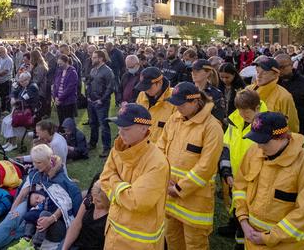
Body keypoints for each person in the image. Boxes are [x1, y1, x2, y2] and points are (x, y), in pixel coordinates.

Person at [0, 144, 82, 250]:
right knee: (13, 219)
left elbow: (64, 204)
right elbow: (22, 194)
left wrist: (51, 218)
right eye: (34, 162)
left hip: (49, 213)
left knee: (19, 227)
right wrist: (12, 212)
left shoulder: (59, 178)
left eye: (38, 163)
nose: (35, 166)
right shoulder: (36, 172)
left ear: (48, 161)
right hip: (31, 206)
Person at [233, 112, 304, 249]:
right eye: (256, 140)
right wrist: (243, 220)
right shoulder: (254, 152)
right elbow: (240, 187)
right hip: (252, 241)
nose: (259, 146)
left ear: (281, 137)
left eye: (264, 141)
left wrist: (268, 237)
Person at [157, 82, 223, 249]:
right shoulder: (174, 119)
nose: (177, 107)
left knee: (195, 243)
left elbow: (206, 166)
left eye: (181, 104)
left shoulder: (212, 127)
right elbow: (160, 148)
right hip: (170, 195)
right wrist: (164, 179)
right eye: (175, 103)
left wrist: (179, 188)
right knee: (172, 239)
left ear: (195, 102)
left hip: (195, 201)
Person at [100, 103, 169, 249]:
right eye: (119, 128)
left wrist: (113, 180)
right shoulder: (118, 149)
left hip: (139, 243)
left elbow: (137, 202)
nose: (120, 133)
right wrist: (123, 189)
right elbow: (103, 178)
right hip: (113, 236)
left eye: (126, 129)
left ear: (144, 128)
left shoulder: (157, 162)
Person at [217, 90, 267, 245]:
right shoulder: (234, 120)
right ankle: (234, 225)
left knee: (248, 210)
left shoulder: (266, 124)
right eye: (239, 110)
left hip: (254, 178)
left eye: (246, 111)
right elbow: (226, 147)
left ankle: (242, 236)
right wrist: (226, 171)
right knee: (236, 203)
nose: (242, 114)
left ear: (257, 108)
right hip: (235, 175)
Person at [247, 58, 300, 133]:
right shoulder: (248, 90)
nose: (259, 75)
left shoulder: (284, 97)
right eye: (257, 71)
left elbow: (291, 126)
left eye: (264, 73)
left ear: (276, 74)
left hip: (272, 141)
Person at [275, 53, 304, 138]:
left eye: (282, 67)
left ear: (292, 65)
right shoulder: (273, 83)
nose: (279, 71)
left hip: (298, 131)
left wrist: (303, 132)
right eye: (277, 68)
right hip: (273, 130)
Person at [134, 67, 176, 143]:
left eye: (148, 87)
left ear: (159, 83)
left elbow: (176, 131)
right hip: (141, 146)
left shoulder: (174, 99)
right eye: (144, 87)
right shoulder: (142, 95)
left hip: (160, 150)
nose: (146, 90)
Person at [61, 183, 109, 250]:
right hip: (78, 244)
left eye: (98, 201)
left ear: (107, 201)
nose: (94, 202)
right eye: (93, 197)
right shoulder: (89, 201)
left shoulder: (112, 215)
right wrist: (64, 248)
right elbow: (76, 224)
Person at [86, 50, 115, 158]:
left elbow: (110, 87)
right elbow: (89, 83)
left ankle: (106, 148)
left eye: (94, 57)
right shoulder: (93, 70)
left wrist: (102, 100)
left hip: (101, 103)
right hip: (91, 101)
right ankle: (92, 143)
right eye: (92, 57)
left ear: (101, 58)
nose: (92, 59)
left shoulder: (107, 71)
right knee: (93, 123)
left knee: (103, 125)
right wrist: (88, 96)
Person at [1, 72, 40, 152]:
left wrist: (15, 102)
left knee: (10, 122)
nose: (20, 83)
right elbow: (14, 91)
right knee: (5, 121)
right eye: (20, 81)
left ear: (28, 79)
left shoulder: (32, 87)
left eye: (22, 81)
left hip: (28, 112)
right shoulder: (23, 85)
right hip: (19, 109)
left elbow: (24, 100)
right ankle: (9, 142)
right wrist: (12, 98)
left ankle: (13, 144)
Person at [189, 59, 226, 124]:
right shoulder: (187, 90)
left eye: (197, 71)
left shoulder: (216, 94)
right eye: (192, 70)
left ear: (208, 73)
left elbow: (218, 119)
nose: (193, 73)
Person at [53, 54, 78, 128]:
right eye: (58, 64)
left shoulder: (72, 72)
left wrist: (60, 98)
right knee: (61, 120)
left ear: (66, 62)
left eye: (61, 63)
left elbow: (70, 88)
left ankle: (71, 137)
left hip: (68, 101)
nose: (59, 65)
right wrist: (55, 97)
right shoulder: (59, 71)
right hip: (59, 100)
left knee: (68, 121)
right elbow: (55, 84)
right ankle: (62, 135)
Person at [0, 46, 14, 112]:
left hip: (6, 81)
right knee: (1, 95)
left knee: (6, 97)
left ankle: (6, 110)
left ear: (3, 52)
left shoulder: (8, 60)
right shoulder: (1, 58)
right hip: (0, 81)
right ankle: (2, 109)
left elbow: (6, 71)